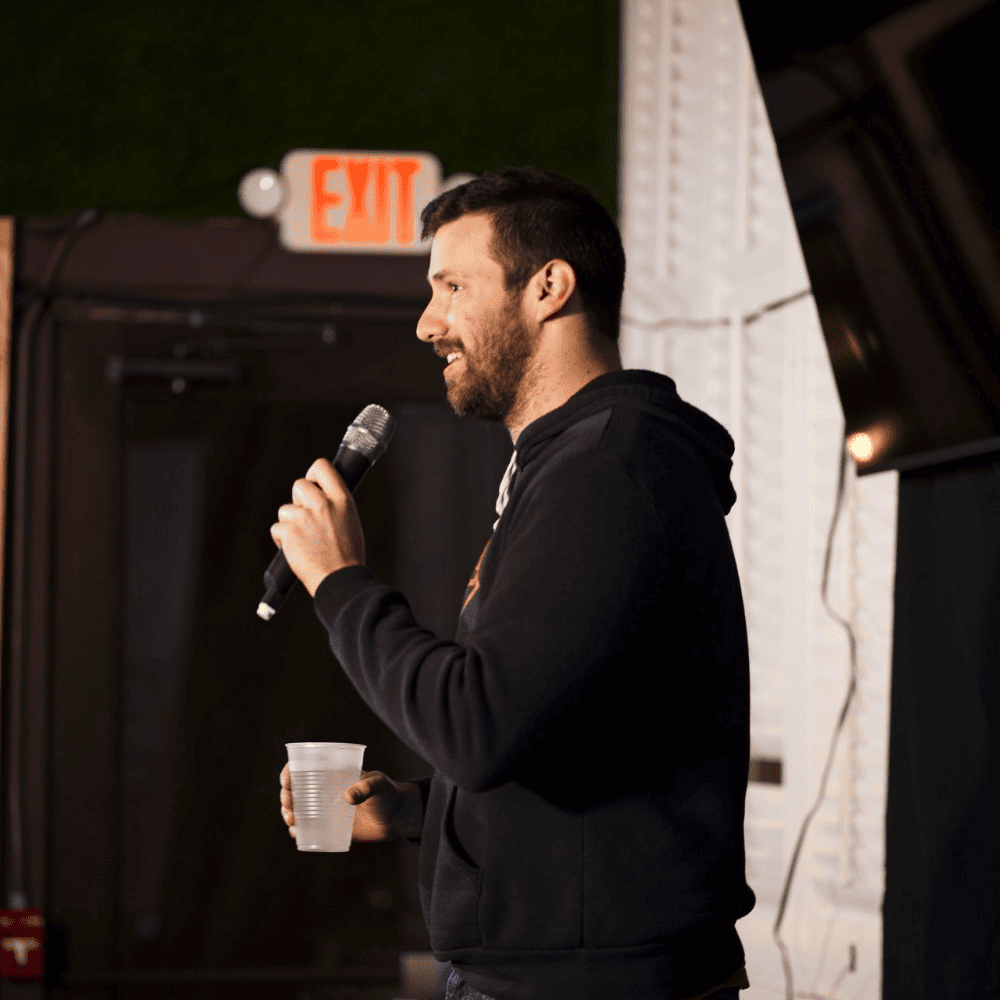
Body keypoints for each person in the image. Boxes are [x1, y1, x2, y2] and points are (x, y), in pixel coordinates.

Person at [274, 166, 756, 1000]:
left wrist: (341, 582)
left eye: (453, 286)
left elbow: (478, 723)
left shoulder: (608, 470)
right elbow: (557, 725)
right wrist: (427, 811)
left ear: (549, 287)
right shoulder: (571, 465)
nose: (429, 323)